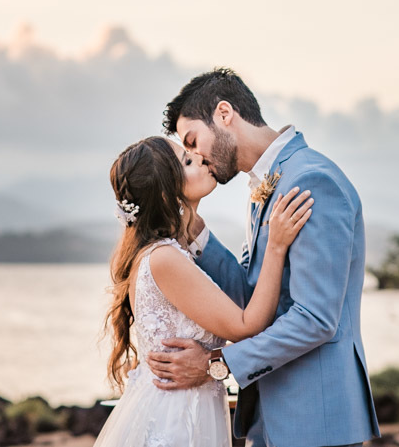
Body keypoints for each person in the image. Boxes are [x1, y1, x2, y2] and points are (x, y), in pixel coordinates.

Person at [147, 68, 380, 447]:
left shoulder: (310, 180)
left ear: (225, 114)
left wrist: (213, 364)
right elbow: (255, 299)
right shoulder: (266, 185)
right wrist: (198, 234)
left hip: (314, 421)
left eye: (193, 141)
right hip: (272, 418)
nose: (194, 157)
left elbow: (316, 319)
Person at [96, 135, 314, 447]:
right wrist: (276, 247)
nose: (199, 157)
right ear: (166, 190)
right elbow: (246, 326)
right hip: (177, 420)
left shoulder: (165, 252)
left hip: (184, 409)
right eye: (186, 160)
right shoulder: (165, 258)